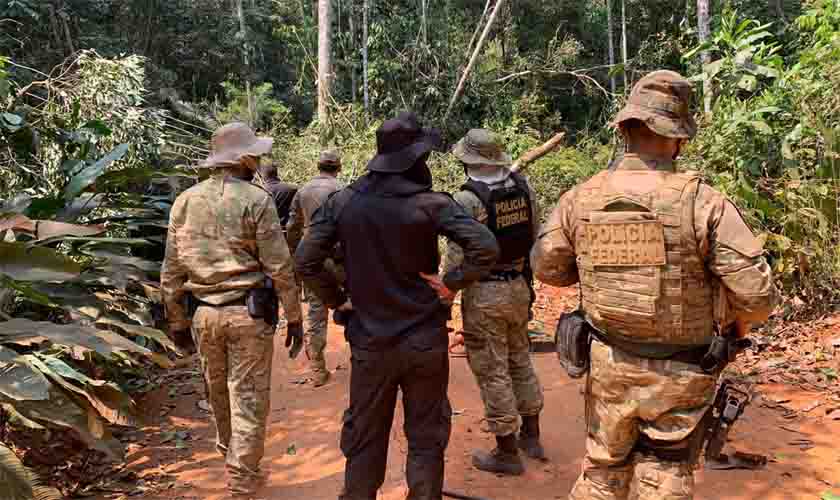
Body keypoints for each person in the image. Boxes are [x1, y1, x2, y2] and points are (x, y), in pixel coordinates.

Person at [531, 71, 778, 500]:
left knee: (601, 472)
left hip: (607, 365)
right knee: (665, 476)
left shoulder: (581, 198)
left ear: (625, 129)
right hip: (682, 375)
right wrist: (735, 322)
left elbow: (548, 268)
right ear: (679, 138)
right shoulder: (704, 202)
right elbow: (756, 297)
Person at [296, 112, 500, 500]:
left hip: (371, 342)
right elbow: (485, 246)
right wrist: (452, 282)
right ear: (415, 160)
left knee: (364, 436)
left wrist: (339, 300)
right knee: (426, 436)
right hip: (424, 340)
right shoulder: (432, 204)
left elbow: (305, 260)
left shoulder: (344, 203)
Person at [161, 122, 304, 498]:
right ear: (243, 158)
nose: (258, 159)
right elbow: (279, 264)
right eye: (254, 153)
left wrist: (176, 319)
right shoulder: (256, 201)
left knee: (217, 392)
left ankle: (231, 457)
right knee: (249, 398)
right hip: (248, 315)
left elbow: (172, 269)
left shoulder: (185, 202)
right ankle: (241, 481)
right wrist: (294, 315)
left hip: (203, 315)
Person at [442, 129, 545, 476]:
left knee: (492, 370)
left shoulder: (467, 200)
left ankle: (506, 451)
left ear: (467, 159)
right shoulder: (523, 188)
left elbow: (457, 257)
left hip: (485, 292)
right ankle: (532, 435)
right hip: (518, 285)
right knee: (520, 360)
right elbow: (534, 238)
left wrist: (447, 294)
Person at [286, 149, 344, 386]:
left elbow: (292, 225)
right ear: (338, 167)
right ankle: (366, 361)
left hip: (312, 257)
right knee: (352, 305)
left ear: (318, 166)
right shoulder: (343, 189)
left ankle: (318, 369)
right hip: (341, 257)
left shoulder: (303, 191)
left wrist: (295, 250)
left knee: (316, 313)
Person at [258, 162, 298, 229]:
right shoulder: (292, 189)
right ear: (276, 173)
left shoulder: (259, 190)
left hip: (267, 231)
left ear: (263, 175)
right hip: (288, 230)